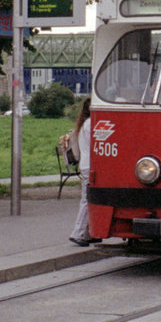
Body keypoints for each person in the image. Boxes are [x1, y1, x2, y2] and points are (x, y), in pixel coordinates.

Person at [68, 98, 100, 247]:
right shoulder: (91, 124)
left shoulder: (84, 124)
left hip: (85, 165)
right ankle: (78, 232)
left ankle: (87, 233)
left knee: (87, 199)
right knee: (87, 199)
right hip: (89, 166)